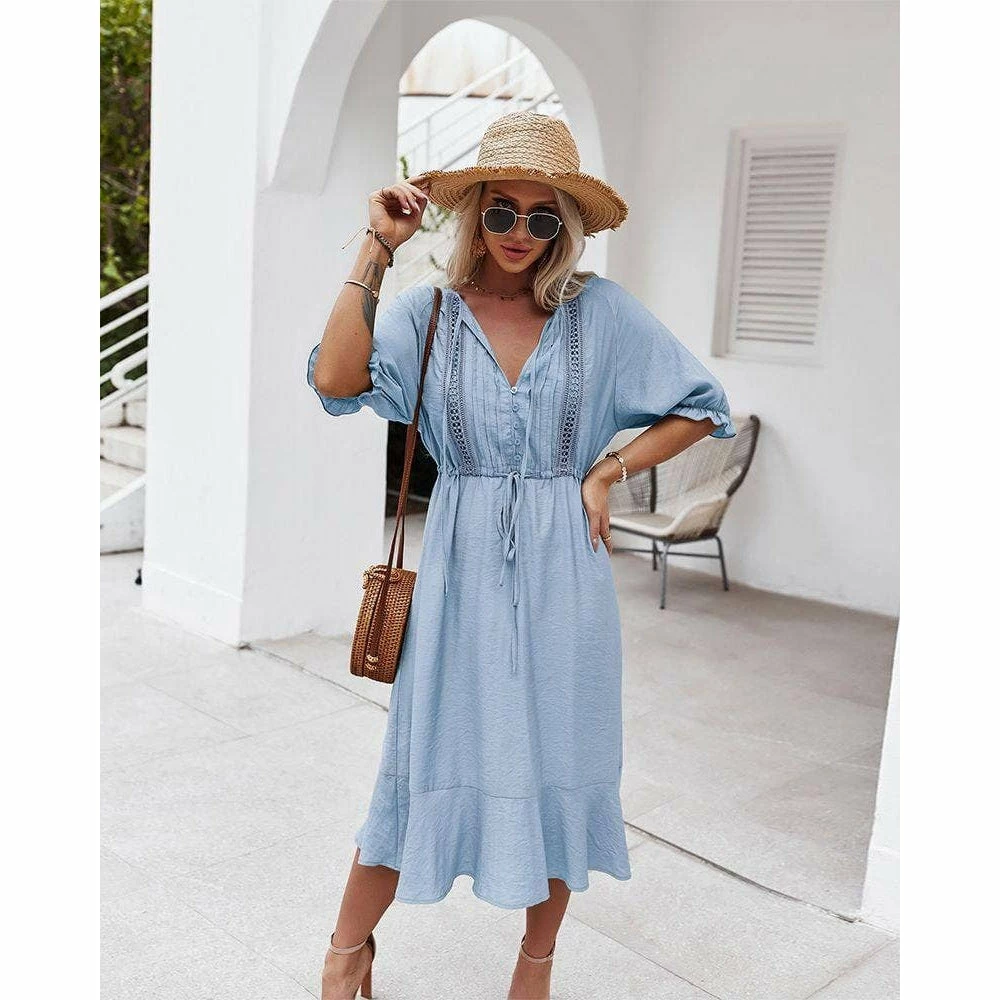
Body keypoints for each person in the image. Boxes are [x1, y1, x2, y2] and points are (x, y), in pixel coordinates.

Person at [306, 111, 736, 1000]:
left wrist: (608, 471)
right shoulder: (429, 313)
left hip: (564, 575)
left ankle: (533, 969)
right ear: (475, 217)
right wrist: (377, 249)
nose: (519, 232)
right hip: (457, 572)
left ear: (565, 227)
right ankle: (346, 953)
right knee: (420, 760)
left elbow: (702, 405)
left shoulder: (600, 314)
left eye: (543, 217)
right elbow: (336, 380)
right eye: (501, 210)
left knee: (558, 763)